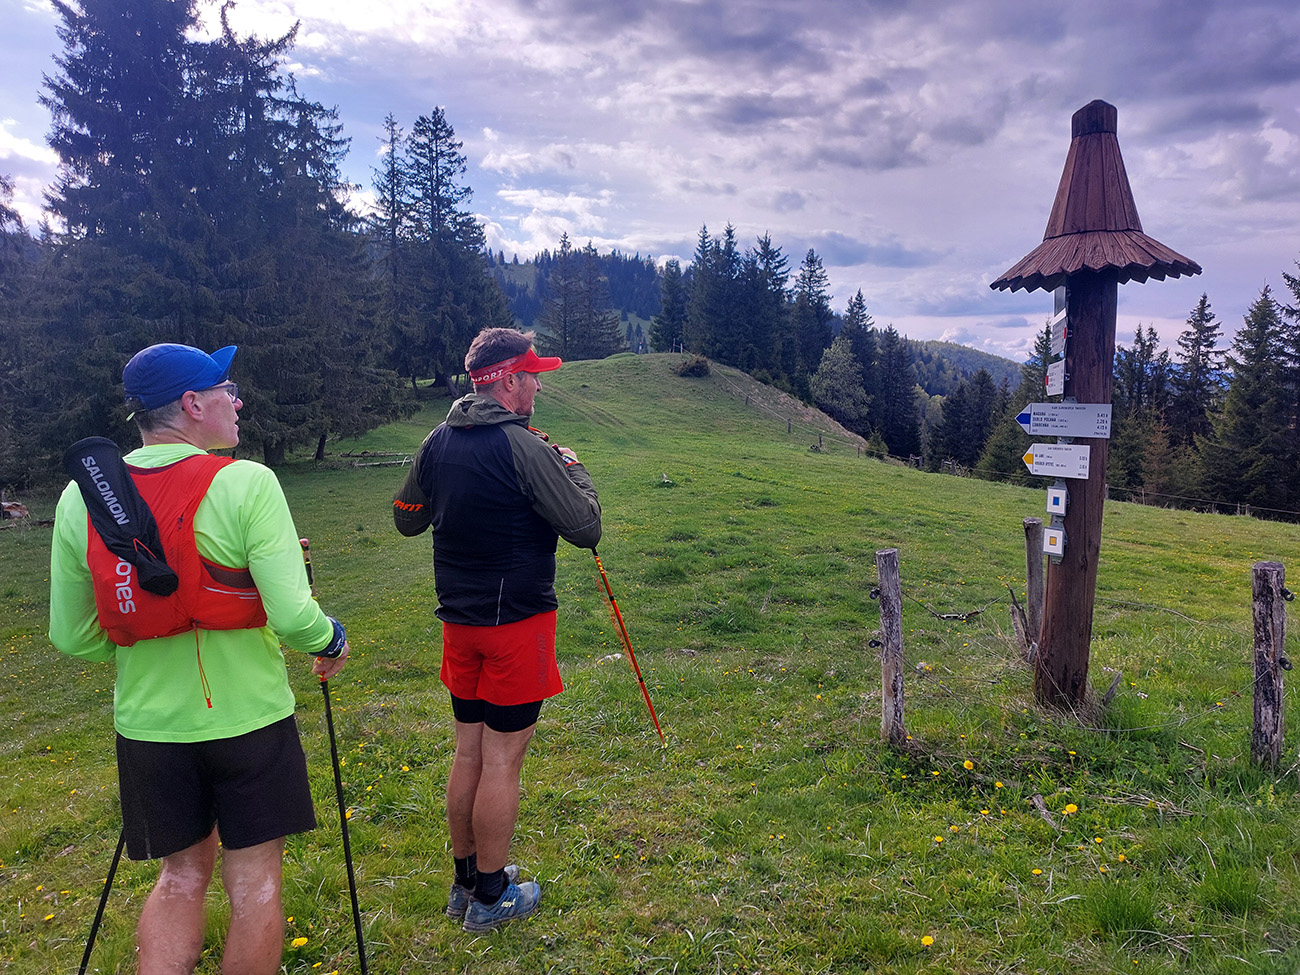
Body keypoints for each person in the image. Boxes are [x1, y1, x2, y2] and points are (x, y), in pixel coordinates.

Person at [49, 343, 350, 975]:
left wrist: (140, 636)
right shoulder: (246, 482)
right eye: (225, 390)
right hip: (249, 719)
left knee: (181, 876)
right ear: (192, 404)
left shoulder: (82, 499)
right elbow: (294, 617)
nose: (236, 402)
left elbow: (74, 636)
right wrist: (331, 640)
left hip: (149, 725)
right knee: (255, 880)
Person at [393, 327, 601, 932]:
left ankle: (464, 884)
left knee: (469, 751)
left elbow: (406, 518)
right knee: (503, 762)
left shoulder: (437, 440)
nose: (539, 386)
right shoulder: (526, 446)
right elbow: (585, 527)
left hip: (459, 623)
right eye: (533, 376)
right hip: (517, 625)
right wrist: (574, 469)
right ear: (508, 381)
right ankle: (491, 896)